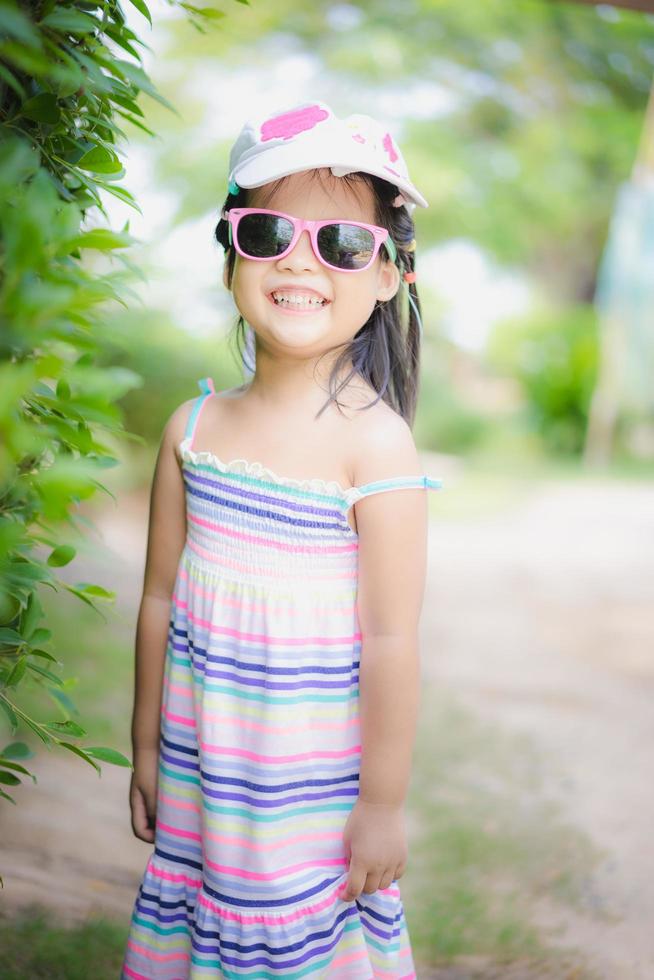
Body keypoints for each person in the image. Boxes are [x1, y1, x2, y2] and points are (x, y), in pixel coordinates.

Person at [121, 99, 443, 979]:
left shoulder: (376, 445)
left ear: (386, 276)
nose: (302, 260)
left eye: (342, 242)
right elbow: (157, 598)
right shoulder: (191, 430)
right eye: (269, 232)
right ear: (232, 254)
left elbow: (391, 641)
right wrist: (145, 749)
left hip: (306, 796)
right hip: (201, 779)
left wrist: (382, 803)